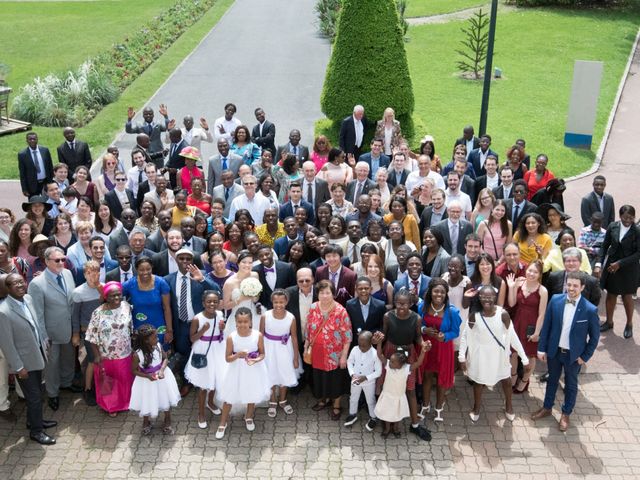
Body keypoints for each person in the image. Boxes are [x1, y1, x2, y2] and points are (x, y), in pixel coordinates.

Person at [532, 272, 600, 432]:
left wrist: (585, 356)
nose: (571, 288)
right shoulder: (555, 300)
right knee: (552, 381)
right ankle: (547, 407)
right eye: (569, 285)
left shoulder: (590, 309)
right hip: (554, 352)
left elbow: (595, 337)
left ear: (582, 287)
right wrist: (542, 348)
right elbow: (547, 326)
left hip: (574, 356)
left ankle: (566, 413)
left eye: (575, 285)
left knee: (571, 385)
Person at [0, 273, 56, 445]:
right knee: (34, 397)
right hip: (24, 363)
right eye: (14, 283)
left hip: (37, 355)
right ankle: (36, 432)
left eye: (21, 281)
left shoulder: (28, 299)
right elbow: (7, 344)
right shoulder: (3, 312)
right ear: (7, 288)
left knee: (37, 393)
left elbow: (36, 324)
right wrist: (18, 367)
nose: (20, 285)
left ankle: (34, 421)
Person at [458, 286, 528, 422]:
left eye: (490, 297)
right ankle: (476, 408)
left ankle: (509, 406)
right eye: (483, 296)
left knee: (506, 381)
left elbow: (513, 336)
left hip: (499, 355)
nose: (487, 300)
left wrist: (524, 358)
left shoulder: (503, 314)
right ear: (479, 297)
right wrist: (462, 357)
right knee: (479, 382)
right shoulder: (474, 315)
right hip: (481, 356)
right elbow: (465, 336)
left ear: (495, 298)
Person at [28, 246, 78, 412]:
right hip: (51, 332)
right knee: (52, 364)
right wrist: (43, 336)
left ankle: (66, 383)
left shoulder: (68, 274)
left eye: (63, 259)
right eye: (57, 260)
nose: (61, 263)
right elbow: (37, 314)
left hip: (69, 328)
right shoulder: (37, 284)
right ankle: (52, 393)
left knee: (69, 358)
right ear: (46, 262)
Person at [378, 289, 431, 440]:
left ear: (411, 304)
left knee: (410, 389)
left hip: (409, 353)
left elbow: (418, 337)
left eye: (405, 304)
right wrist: (379, 340)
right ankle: (384, 418)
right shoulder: (388, 316)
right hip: (391, 352)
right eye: (399, 303)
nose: (401, 307)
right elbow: (384, 333)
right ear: (394, 303)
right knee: (387, 387)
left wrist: (424, 344)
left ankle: (414, 424)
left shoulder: (416, 318)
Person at [216, 307, 271, 439]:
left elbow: (262, 353)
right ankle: (223, 423)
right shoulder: (231, 337)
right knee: (230, 395)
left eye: (245, 321)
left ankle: (249, 416)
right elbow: (228, 358)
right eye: (240, 322)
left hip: (253, 368)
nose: (242, 324)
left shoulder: (257, 335)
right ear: (235, 322)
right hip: (235, 369)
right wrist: (238, 355)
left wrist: (255, 360)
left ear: (251, 322)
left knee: (251, 392)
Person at [85, 281, 133, 417]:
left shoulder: (126, 306)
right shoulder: (98, 313)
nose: (116, 298)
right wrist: (96, 355)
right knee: (109, 381)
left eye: (118, 295)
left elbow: (130, 328)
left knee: (124, 379)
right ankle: (111, 406)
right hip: (106, 354)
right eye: (112, 296)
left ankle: (126, 403)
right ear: (106, 296)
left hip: (125, 352)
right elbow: (91, 336)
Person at [305, 280, 352, 420]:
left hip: (334, 355)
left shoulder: (340, 311)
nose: (324, 296)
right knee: (319, 377)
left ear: (333, 294)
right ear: (317, 294)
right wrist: (305, 348)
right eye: (321, 293)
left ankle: (336, 406)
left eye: (328, 292)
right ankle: (323, 400)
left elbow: (347, 336)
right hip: (317, 353)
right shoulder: (313, 307)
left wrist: (344, 356)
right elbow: (308, 330)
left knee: (335, 380)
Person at [419, 278, 461, 423]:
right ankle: (425, 405)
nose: (439, 295)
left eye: (442, 292)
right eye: (436, 291)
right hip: (428, 347)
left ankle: (438, 407)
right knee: (427, 376)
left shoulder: (452, 312)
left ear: (446, 294)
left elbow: (455, 331)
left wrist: (445, 336)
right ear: (430, 292)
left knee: (441, 379)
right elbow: (418, 324)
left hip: (443, 348)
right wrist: (424, 329)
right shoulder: (422, 307)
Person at [184, 290, 226, 428]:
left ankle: (211, 402)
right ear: (203, 303)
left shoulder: (220, 314)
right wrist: (202, 330)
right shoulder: (198, 318)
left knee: (215, 379)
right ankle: (201, 413)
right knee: (203, 385)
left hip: (217, 350)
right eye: (209, 301)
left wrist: (222, 328)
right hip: (203, 351)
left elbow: (221, 333)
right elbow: (192, 338)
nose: (212, 304)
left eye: (215, 301)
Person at [130, 324, 181, 435]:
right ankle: (146, 421)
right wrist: (147, 376)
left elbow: (165, 359)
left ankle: (167, 419)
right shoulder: (137, 354)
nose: (157, 339)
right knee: (147, 399)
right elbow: (133, 370)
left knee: (165, 397)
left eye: (157, 336)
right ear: (146, 340)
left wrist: (162, 370)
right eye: (154, 337)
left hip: (162, 376)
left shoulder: (158, 346)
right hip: (146, 380)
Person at [506, 261, 548, 393]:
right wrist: (512, 287)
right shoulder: (519, 283)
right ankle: (513, 378)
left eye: (535, 272)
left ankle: (524, 380)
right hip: (517, 322)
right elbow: (512, 303)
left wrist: (537, 333)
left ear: (540, 274)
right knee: (513, 353)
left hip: (531, 326)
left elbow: (542, 314)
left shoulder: (542, 291)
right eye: (530, 270)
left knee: (530, 356)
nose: (531, 274)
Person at [599, 205, 640, 339]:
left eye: (631, 217)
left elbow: (638, 253)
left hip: (629, 268)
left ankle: (629, 324)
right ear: (620, 216)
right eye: (625, 217)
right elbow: (605, 245)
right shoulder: (612, 226)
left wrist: (620, 263)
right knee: (611, 295)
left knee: (627, 296)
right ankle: (609, 322)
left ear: (634, 217)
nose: (628, 220)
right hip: (612, 266)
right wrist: (599, 263)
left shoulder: (637, 230)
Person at [260, 289, 301, 418]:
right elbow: (260, 335)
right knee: (270, 373)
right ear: (272, 302)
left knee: (285, 373)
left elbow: (294, 337)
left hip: (284, 349)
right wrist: (260, 352)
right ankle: (272, 400)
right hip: (268, 348)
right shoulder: (265, 316)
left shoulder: (290, 317)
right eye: (275, 302)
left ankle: (283, 400)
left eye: (281, 302)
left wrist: (295, 357)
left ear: (286, 302)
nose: (278, 305)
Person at [70, 261, 103, 406]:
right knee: (91, 361)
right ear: (84, 274)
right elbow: (74, 315)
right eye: (89, 273)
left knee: (101, 360)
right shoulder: (78, 292)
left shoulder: (102, 287)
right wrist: (76, 334)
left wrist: (100, 288)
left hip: (103, 332)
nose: (92, 275)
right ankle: (88, 389)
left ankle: (100, 386)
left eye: (95, 272)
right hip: (87, 332)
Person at [123, 257, 173, 348]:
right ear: (136, 269)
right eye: (141, 270)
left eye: (148, 269)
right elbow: (114, 291)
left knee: (160, 354)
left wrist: (169, 330)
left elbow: (167, 308)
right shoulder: (130, 284)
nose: (145, 272)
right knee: (141, 355)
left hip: (159, 327)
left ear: (152, 268)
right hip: (139, 327)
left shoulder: (161, 283)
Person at [344, 330, 382, 430]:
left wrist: (366, 378)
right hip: (355, 379)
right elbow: (349, 362)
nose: (361, 348)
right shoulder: (355, 349)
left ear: (371, 343)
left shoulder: (375, 354)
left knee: (370, 400)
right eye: (360, 345)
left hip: (369, 382)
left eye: (364, 346)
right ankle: (352, 414)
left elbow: (378, 372)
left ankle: (373, 417)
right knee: (353, 397)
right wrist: (352, 374)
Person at [222, 250, 261, 333]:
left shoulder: (255, 275)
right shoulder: (230, 282)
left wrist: (254, 295)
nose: (247, 265)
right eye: (244, 262)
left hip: (253, 314)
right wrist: (241, 299)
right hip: (236, 316)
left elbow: (256, 298)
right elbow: (225, 306)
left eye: (250, 262)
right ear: (238, 263)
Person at [18, 132, 54, 198]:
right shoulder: (22, 154)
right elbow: (22, 173)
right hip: (32, 185)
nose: (32, 140)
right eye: (30, 139)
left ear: (37, 139)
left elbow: (50, 166)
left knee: (48, 203)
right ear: (27, 140)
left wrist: (51, 181)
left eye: (34, 139)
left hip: (46, 182)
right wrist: (24, 189)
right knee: (34, 205)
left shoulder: (45, 150)